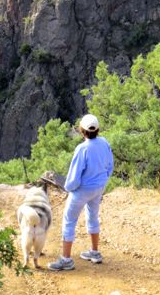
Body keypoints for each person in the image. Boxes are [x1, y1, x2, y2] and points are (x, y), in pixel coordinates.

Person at [48, 113, 113, 271]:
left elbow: (74, 178)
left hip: (82, 190)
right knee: (93, 216)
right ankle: (95, 252)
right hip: (99, 188)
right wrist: (102, 180)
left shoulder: (82, 149)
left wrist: (68, 189)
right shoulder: (104, 143)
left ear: (82, 131)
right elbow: (110, 165)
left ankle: (66, 260)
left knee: (69, 220)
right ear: (98, 130)